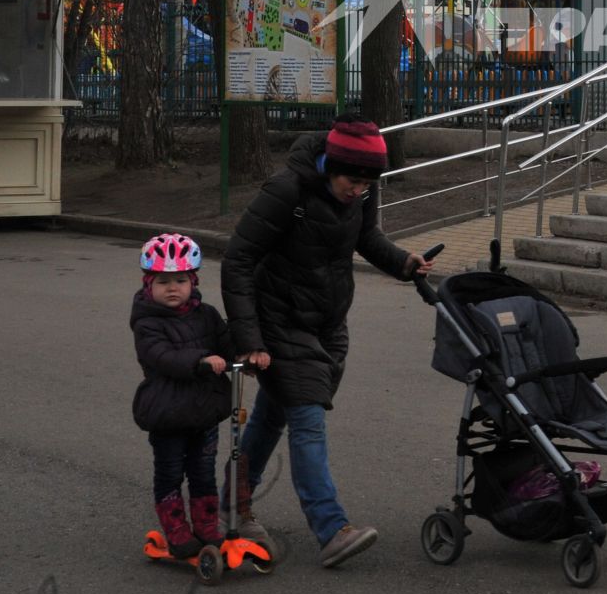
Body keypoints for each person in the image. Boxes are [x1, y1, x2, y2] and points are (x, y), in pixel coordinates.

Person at [220, 116, 436, 569]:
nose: (358, 190)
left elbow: (366, 236)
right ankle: (331, 527)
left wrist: (403, 263)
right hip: (278, 318)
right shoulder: (288, 191)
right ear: (329, 166)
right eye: (351, 181)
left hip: (327, 322)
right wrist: (249, 339)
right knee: (307, 417)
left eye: (366, 183)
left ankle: (230, 500)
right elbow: (238, 260)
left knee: (272, 416)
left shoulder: (363, 189)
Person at [130, 232, 233, 559]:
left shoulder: (207, 314)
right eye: (163, 281)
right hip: (168, 413)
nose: (172, 288)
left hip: (203, 411)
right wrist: (200, 361)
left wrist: (251, 351)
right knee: (171, 472)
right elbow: (160, 356)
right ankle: (176, 530)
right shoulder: (147, 322)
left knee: (204, 472)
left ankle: (206, 526)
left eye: (179, 280)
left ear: (193, 281)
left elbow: (226, 342)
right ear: (149, 285)